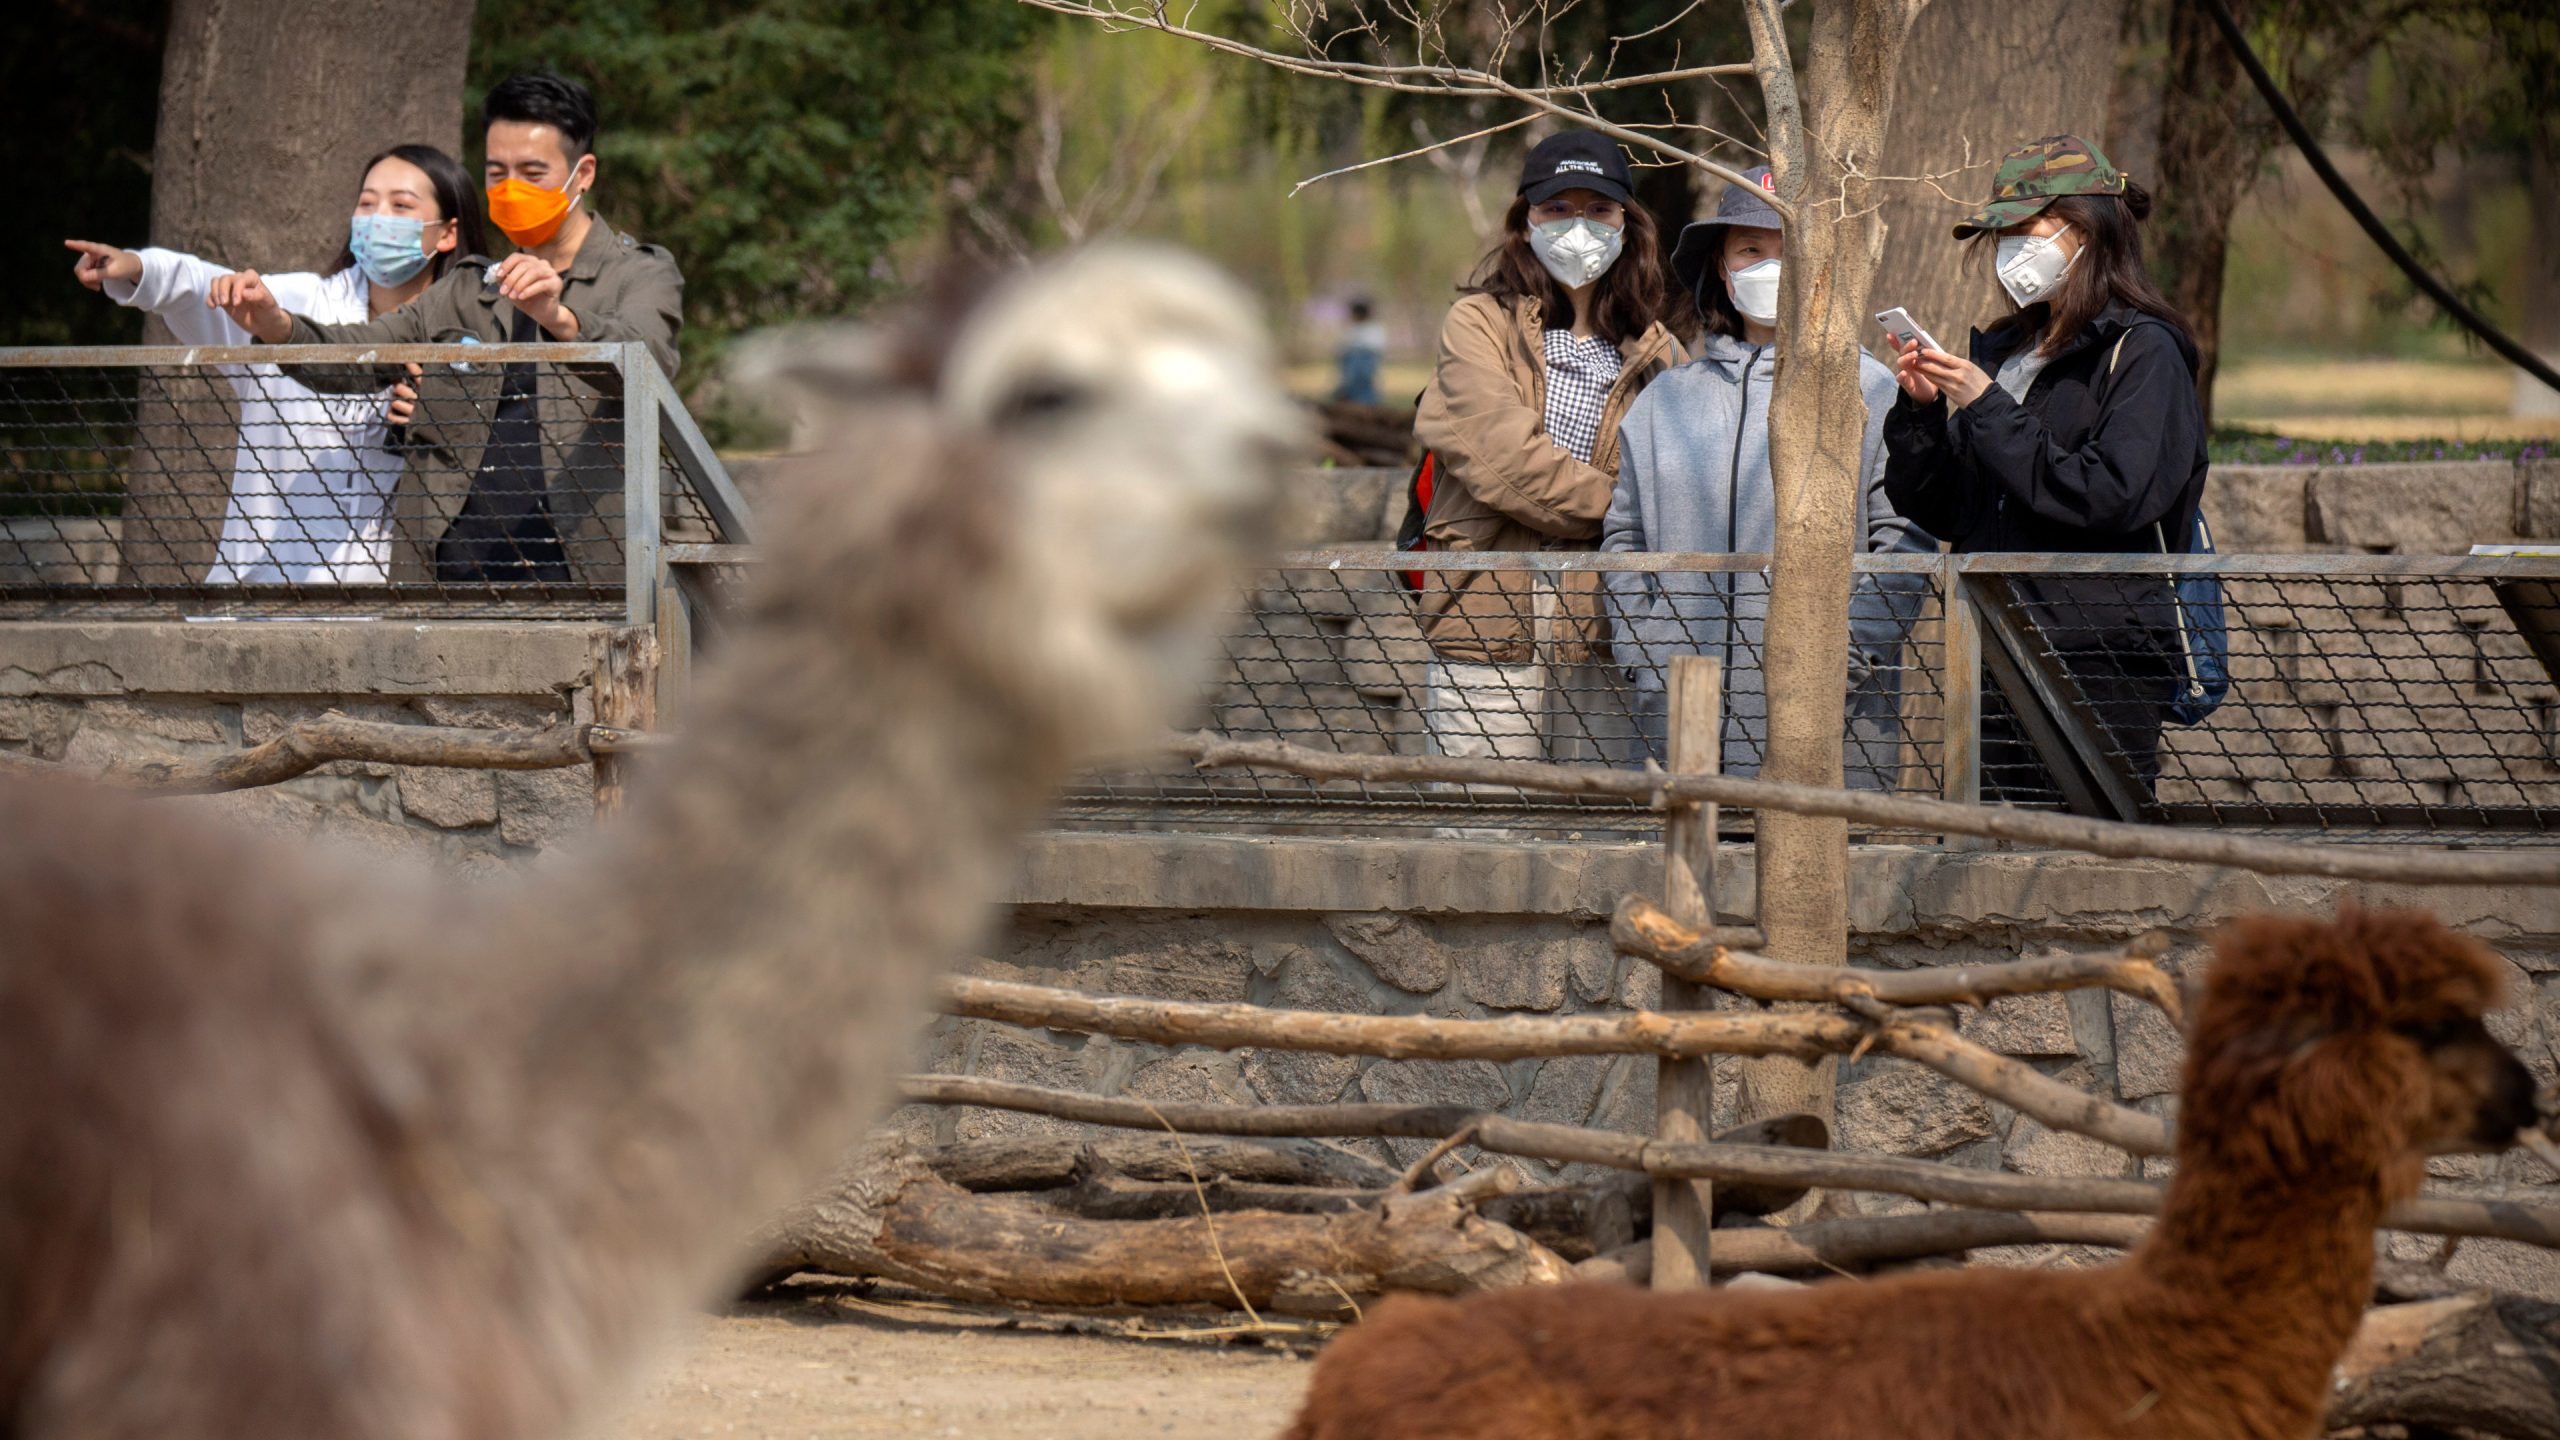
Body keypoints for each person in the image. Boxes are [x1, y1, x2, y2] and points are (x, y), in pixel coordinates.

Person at [213, 72, 683, 586]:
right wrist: (277, 325)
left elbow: (647, 369)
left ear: (583, 173)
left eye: (532, 172)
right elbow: (356, 355)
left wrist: (558, 316)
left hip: (588, 580)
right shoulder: (467, 288)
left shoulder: (640, 273)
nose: (511, 189)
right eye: (497, 172)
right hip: (448, 582)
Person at [1880, 134, 2207, 801]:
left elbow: (2114, 491)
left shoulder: (2145, 353)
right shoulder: (2009, 352)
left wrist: (1988, 407)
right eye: (2000, 236)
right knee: (1987, 862)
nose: (2009, 252)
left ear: (2088, 230)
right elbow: (1948, 509)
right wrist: (1921, 414)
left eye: (2027, 231)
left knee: (2091, 865)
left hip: (2098, 658)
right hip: (1992, 648)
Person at [1602, 166, 1933, 782]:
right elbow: (1624, 539)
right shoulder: (1663, 401)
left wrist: (1840, 665)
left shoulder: (1870, 390)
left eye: (1789, 249)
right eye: (1750, 250)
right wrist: (1644, 652)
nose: (1770, 265)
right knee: (1685, 875)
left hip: (1831, 734)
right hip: (1679, 727)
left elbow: (1905, 544)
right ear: (1721, 271)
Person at [63, 144, 484, 585]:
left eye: (401, 205)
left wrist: (439, 421)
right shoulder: (295, 304)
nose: (377, 217)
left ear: (447, 233)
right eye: (366, 202)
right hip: (255, 601)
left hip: (382, 614)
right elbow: (200, 286)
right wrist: (137, 268)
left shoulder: (470, 343)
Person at [1413, 130, 1683, 764]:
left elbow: (1678, 480)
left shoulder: (1659, 351)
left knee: (1606, 844)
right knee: (1482, 836)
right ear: (1525, 221)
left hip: (1607, 638)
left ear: (1627, 224)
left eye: (1598, 210)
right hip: (1485, 629)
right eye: (1558, 209)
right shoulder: (1480, 323)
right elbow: (1507, 463)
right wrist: (1626, 512)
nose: (1579, 227)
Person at [1333, 297, 1385, 405]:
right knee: (1350, 384)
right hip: (1350, 363)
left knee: (1363, 384)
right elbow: (1343, 347)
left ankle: (1367, 404)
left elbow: (1375, 347)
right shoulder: (1353, 328)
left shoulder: (1373, 328)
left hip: (1365, 361)